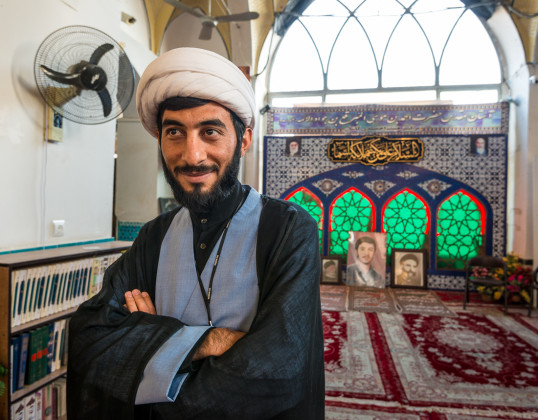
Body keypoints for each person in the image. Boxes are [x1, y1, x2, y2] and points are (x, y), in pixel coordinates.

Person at [67, 47, 325, 420]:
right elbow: (89, 337)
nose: (192, 155)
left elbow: (276, 370)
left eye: (210, 132)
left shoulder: (287, 229)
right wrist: (210, 340)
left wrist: (151, 340)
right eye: (175, 132)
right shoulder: (153, 238)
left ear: (245, 139)